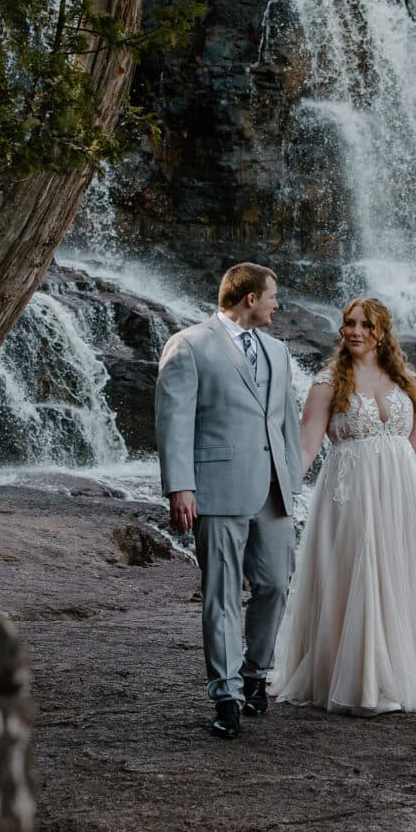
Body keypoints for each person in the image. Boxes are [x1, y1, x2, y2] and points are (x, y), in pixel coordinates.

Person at [273, 297, 416, 715]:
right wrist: (282, 493)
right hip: (350, 493)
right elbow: (306, 447)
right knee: (361, 574)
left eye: (365, 325)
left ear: (381, 333)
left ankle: (413, 674)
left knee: (402, 576)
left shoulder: (403, 380)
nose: (355, 331)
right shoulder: (327, 383)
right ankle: (364, 683)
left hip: (403, 494)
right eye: (349, 324)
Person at [154, 262, 300, 739]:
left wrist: (293, 482)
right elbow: (174, 420)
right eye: (273, 295)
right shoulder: (190, 345)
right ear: (250, 298)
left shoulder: (278, 352)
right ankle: (226, 693)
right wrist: (180, 486)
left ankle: (257, 672)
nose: (278, 304)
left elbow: (286, 425)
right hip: (216, 489)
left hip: (273, 490)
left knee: (276, 584)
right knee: (221, 595)